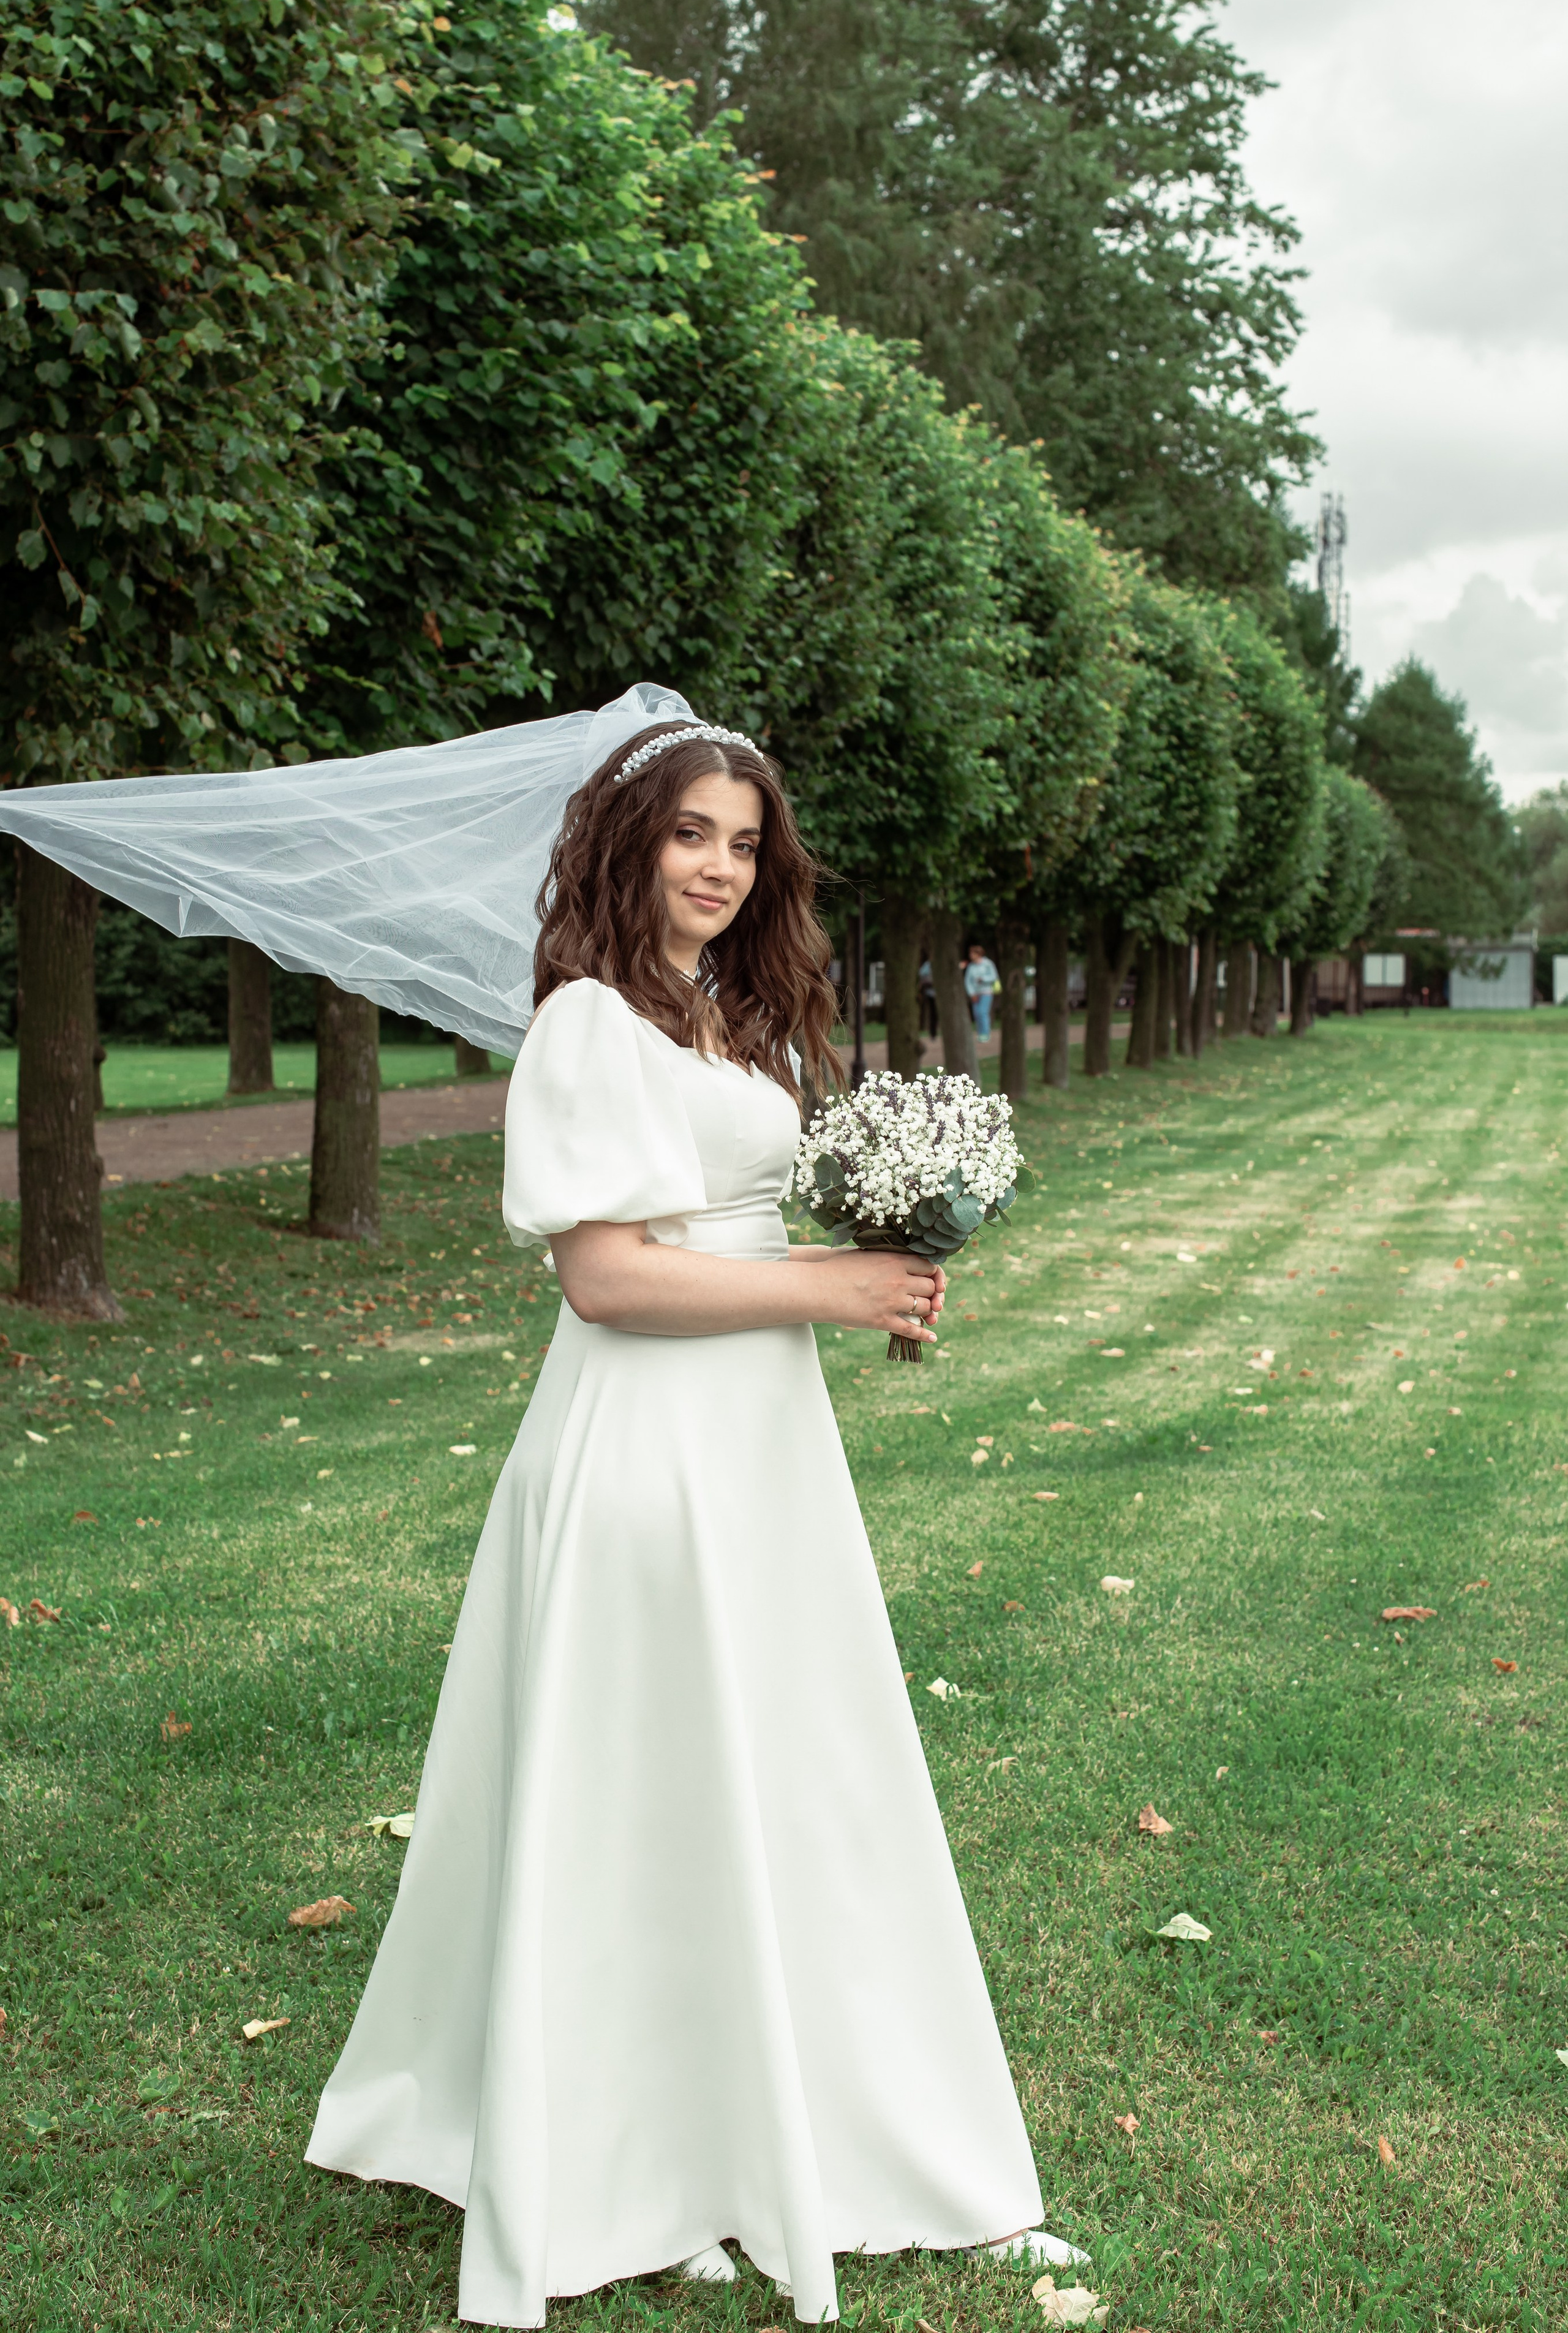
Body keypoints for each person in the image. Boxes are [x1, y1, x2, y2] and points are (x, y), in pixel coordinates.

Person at [304, 720, 1090, 2326]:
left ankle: (806, 2130)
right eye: (688, 835)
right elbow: (604, 1276)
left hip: (760, 1433)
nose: (720, 864)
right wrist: (830, 1283)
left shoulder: (734, 1018)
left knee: (794, 1771)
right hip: (646, 1441)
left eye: (742, 840)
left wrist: (890, 1246)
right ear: (627, 846)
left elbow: (733, 1214)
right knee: (647, 1783)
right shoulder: (588, 1023)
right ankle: (629, 2153)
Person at [964, 942, 1000, 1046]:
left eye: (973, 953)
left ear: (978, 954)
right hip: (976, 994)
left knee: (983, 1012)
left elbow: (994, 977)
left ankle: (986, 1033)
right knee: (976, 1013)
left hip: (986, 992)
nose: (971, 956)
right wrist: (971, 993)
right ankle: (980, 1033)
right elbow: (968, 981)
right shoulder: (971, 967)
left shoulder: (988, 964)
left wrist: (983, 979)